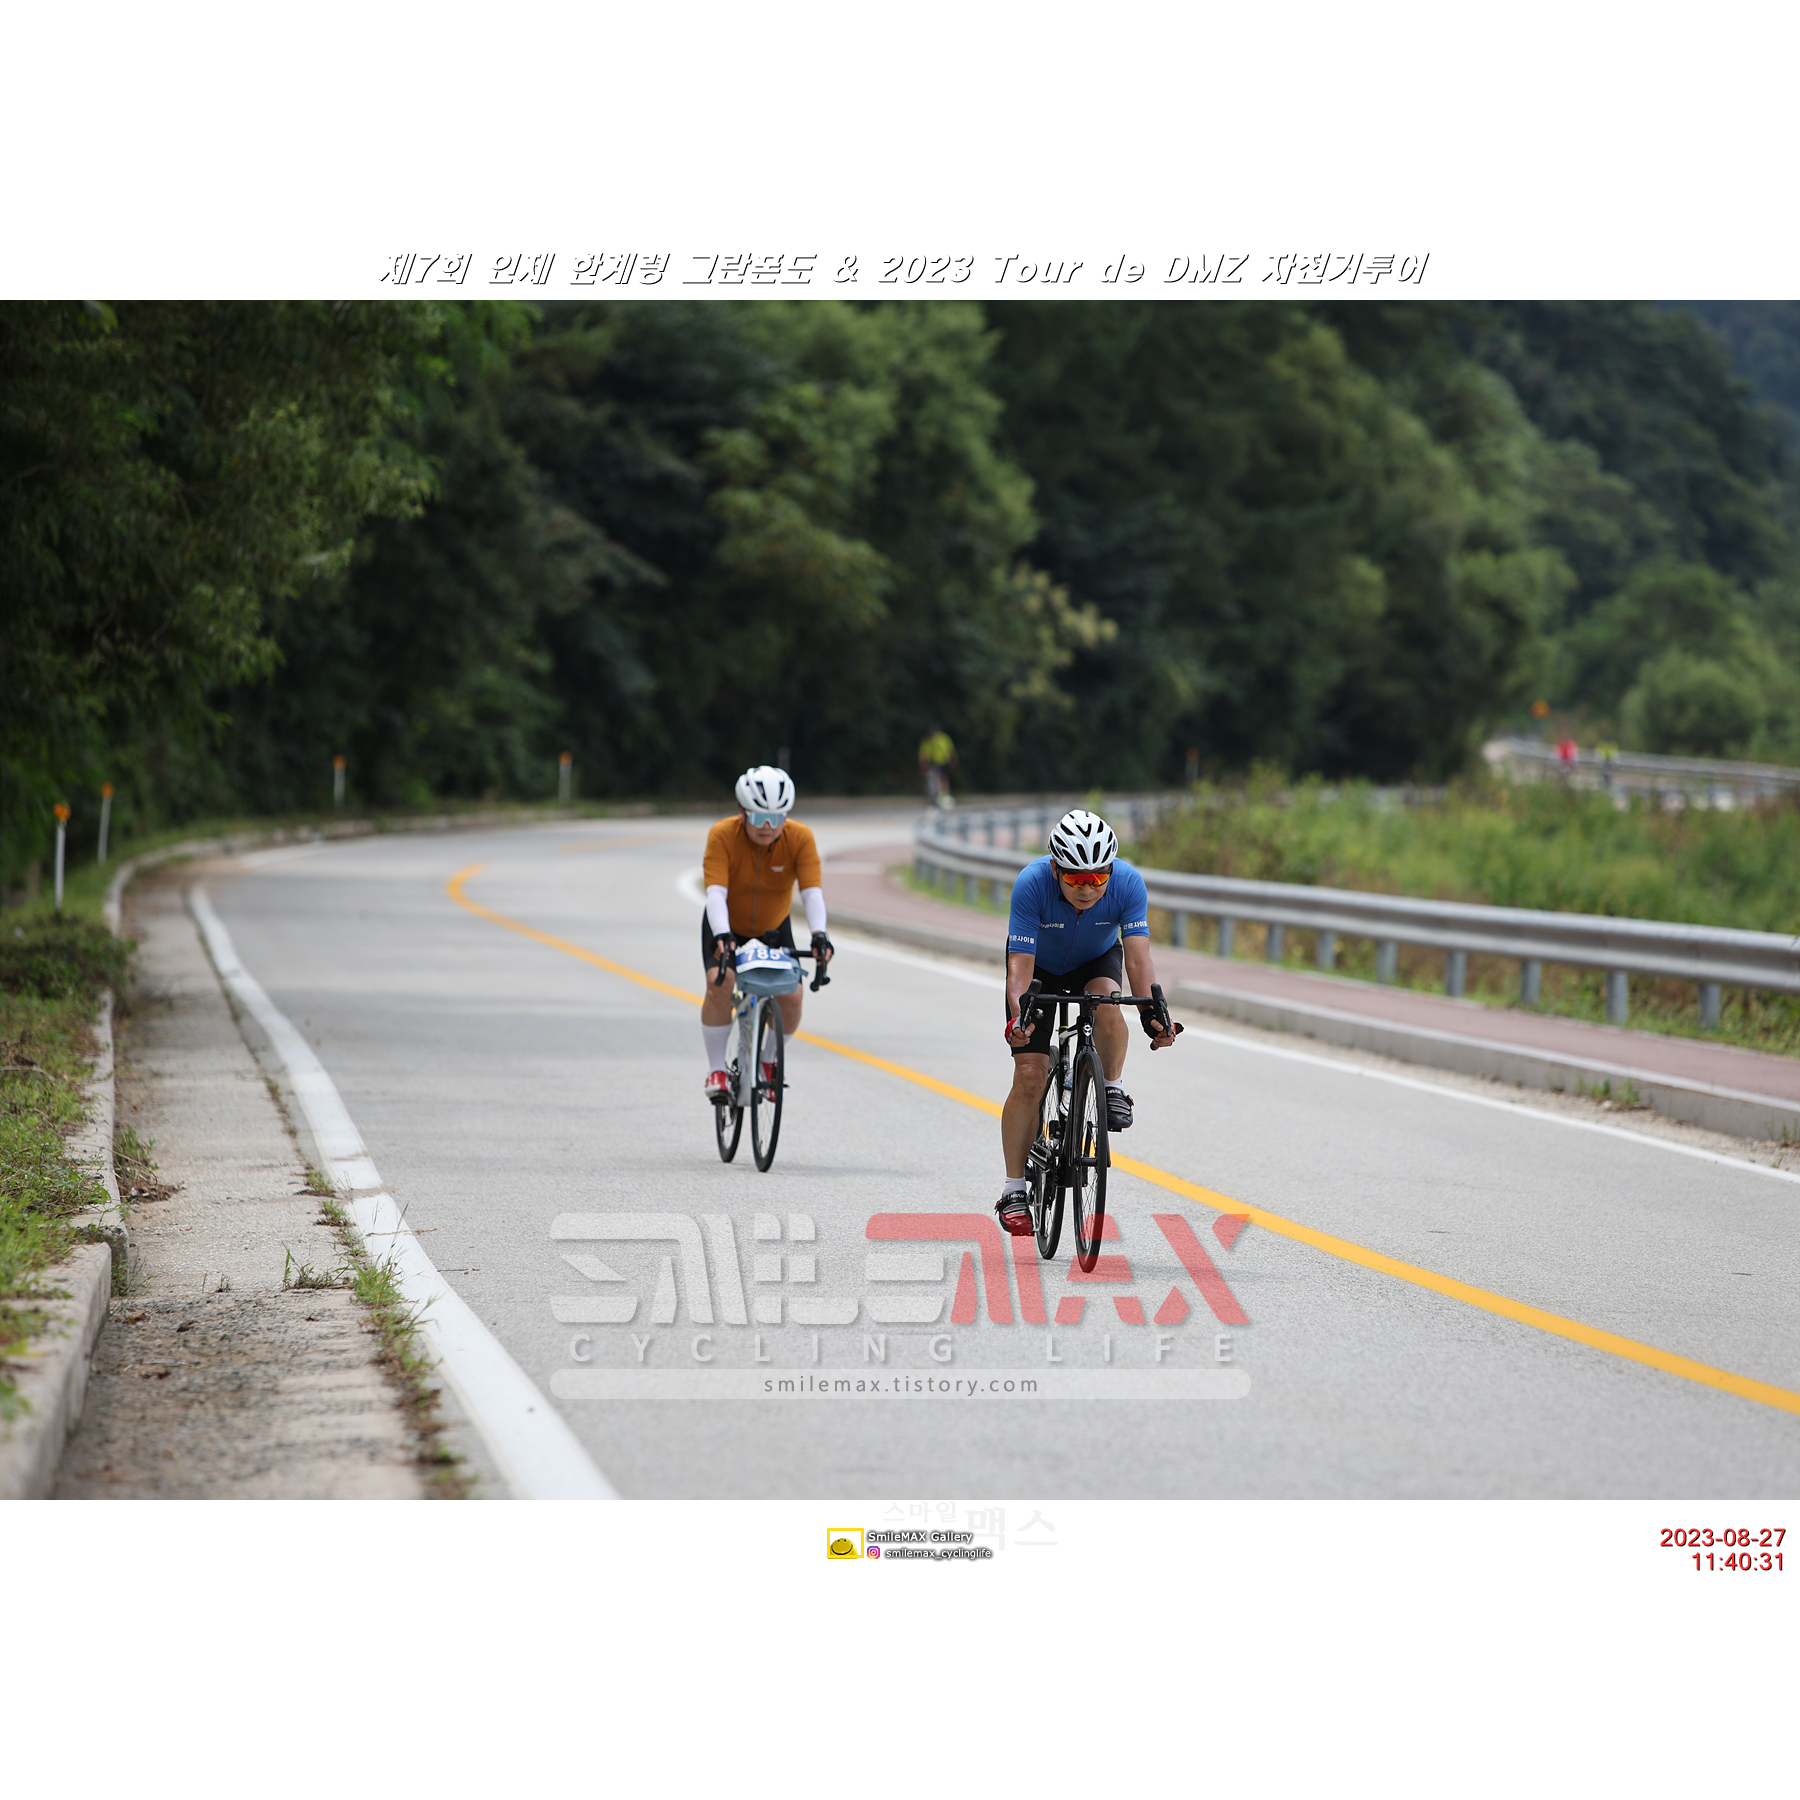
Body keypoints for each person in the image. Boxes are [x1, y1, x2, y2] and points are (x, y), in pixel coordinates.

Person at [996, 807, 1179, 1234]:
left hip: (1095, 959)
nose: (1088, 888)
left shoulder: (1128, 882)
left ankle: (1112, 1086)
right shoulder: (1031, 883)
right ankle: (1013, 1189)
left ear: (1110, 871)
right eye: (1076, 878)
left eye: (1098, 878)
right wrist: (1019, 1019)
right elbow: (1019, 967)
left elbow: (1138, 958)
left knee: (1108, 1004)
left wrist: (1153, 1014)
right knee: (1029, 1074)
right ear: (1055, 869)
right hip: (1039, 970)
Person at [700, 766, 834, 1102]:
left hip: (773, 929)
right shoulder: (722, 835)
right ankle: (717, 1069)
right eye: (759, 817)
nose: (767, 826)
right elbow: (715, 893)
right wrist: (723, 934)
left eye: (776, 818)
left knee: (793, 995)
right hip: (727, 925)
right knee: (720, 984)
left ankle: (770, 1060)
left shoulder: (800, 838)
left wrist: (819, 935)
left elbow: (812, 893)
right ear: (742, 812)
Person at [918, 726, 957, 806]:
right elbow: (924, 755)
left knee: (944, 779)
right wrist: (923, 766)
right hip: (932, 764)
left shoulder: (944, 738)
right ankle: (934, 797)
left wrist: (953, 760)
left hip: (944, 762)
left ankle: (945, 797)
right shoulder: (926, 741)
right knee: (933, 781)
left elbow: (951, 749)